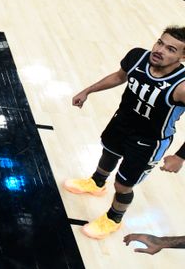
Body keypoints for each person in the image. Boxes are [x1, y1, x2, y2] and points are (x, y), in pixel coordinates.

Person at [64, 27, 185, 239]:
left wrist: (180, 157)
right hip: (121, 122)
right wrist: (88, 91)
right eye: (159, 43)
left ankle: (113, 219)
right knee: (108, 153)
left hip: (148, 141)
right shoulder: (138, 56)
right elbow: (120, 76)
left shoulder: (182, 86)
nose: (159, 50)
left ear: (182, 57)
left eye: (170, 49)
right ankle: (96, 183)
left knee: (123, 185)